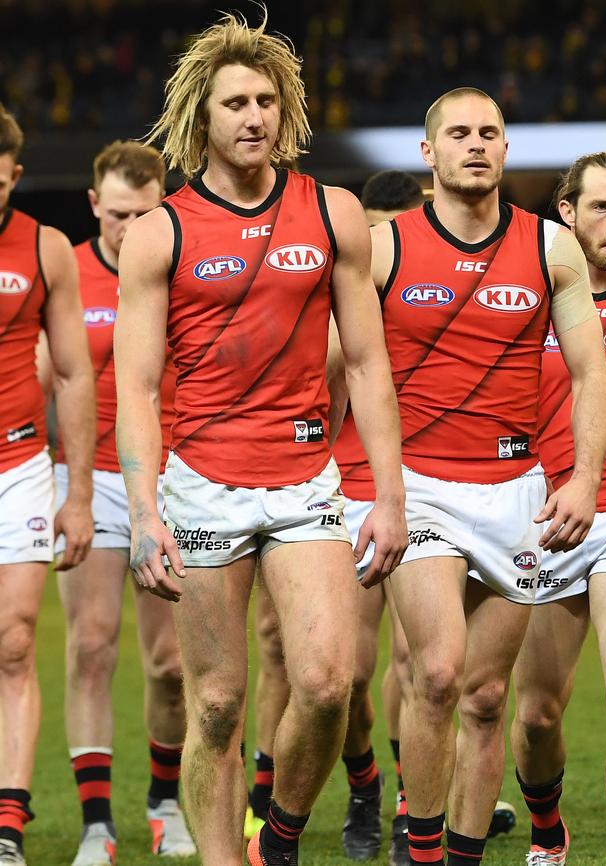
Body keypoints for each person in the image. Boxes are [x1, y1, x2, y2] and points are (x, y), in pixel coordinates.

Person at [113, 11, 407, 866]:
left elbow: (367, 365)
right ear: (202, 116)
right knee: (215, 705)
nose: (255, 117)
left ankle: (274, 839)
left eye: (268, 101)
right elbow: (135, 387)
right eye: (236, 102)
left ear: (287, 111)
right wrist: (142, 511)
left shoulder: (336, 212)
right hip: (201, 484)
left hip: (306, 482)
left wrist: (388, 500)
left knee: (324, 682)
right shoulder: (159, 232)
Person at [370, 87, 606, 865]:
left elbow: (590, 374)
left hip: (517, 495)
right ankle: (424, 849)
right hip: (423, 487)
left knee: (483, 698)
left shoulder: (552, 247)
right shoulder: (386, 249)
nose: (476, 144)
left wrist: (581, 483)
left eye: (490, 133)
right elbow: (347, 368)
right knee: (438, 671)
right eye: (459, 133)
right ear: (428, 152)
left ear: (506, 150)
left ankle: (460, 857)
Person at [244, 170, 424, 866]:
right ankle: (363, 784)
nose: (378, 242)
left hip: (430, 486)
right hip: (341, 491)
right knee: (345, 674)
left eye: (392, 227)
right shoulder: (329, 300)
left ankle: (413, 808)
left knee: (422, 664)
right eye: (369, 226)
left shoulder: (437, 296)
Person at [40, 141, 195, 866]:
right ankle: (97, 825)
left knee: (169, 663)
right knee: (92, 646)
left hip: (172, 481)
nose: (130, 227)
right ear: (94, 204)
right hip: (92, 477)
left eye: (144, 212)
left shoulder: (182, 265)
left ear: (161, 202)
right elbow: (40, 375)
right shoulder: (67, 270)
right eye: (118, 213)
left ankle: (165, 804)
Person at [511, 152, 606, 866]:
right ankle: (546, 830)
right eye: (603, 207)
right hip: (542, 520)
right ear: (566, 212)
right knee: (536, 717)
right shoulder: (531, 290)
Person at [0, 105, 95, 866]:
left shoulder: (45, 247)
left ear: (16, 175)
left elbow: (71, 372)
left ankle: (7, 827)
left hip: (21, 467)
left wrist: (80, 492)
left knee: (15, 640)